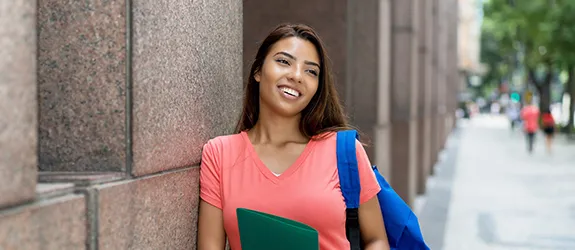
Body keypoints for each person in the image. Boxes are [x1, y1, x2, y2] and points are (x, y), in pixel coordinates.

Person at [197, 24, 390, 250]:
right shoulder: (219, 154)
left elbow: (377, 240)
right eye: (284, 62)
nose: (297, 76)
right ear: (258, 71)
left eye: (311, 71)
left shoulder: (344, 150)